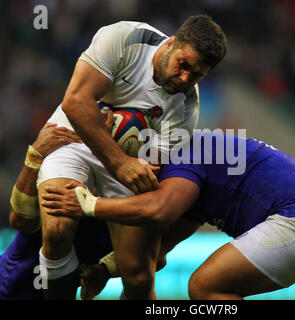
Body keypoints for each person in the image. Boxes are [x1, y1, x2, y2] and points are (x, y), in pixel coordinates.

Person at [37, 15, 227, 299]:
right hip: (75, 137)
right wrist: (118, 161)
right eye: (183, 65)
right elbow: (76, 102)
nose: (185, 78)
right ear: (171, 43)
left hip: (132, 161)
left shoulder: (186, 107)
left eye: (196, 75)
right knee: (57, 227)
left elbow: (150, 165)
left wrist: (121, 167)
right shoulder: (125, 38)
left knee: (138, 275)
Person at [42, 132, 295, 300]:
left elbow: (161, 208)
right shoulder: (203, 168)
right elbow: (162, 246)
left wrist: (89, 205)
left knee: (204, 289)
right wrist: (105, 268)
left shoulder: (183, 155)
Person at [1, 115, 115, 300]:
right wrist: (34, 157)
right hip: (9, 290)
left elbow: (154, 253)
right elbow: (20, 221)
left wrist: (106, 269)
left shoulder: (128, 202)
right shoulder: (64, 178)